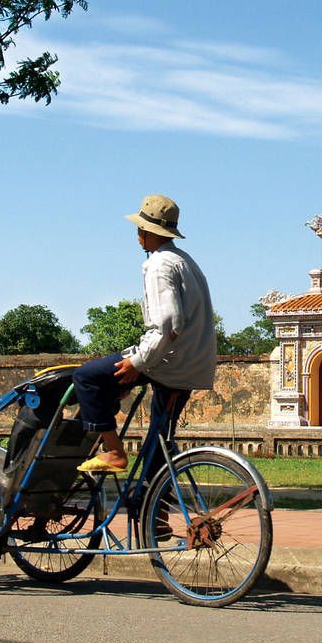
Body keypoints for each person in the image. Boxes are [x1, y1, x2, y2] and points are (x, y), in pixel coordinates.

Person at [74, 194, 217, 474]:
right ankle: (154, 510)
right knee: (159, 438)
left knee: (87, 378)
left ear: (148, 231)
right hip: (190, 364)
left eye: (140, 229)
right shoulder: (184, 261)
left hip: (171, 363)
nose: (137, 234)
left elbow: (166, 325)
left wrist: (137, 363)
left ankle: (114, 451)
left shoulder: (159, 265)